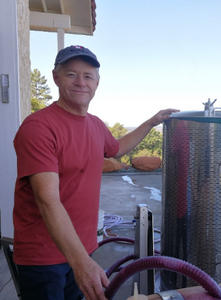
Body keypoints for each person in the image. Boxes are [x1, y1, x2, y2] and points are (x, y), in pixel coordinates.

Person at [13, 45, 179, 300]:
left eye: (88, 76)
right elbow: (47, 200)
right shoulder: (38, 128)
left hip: (82, 249)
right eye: (71, 74)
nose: (81, 82)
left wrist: (150, 122)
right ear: (56, 77)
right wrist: (81, 263)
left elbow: (118, 148)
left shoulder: (96, 124)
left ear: (97, 83)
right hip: (44, 257)